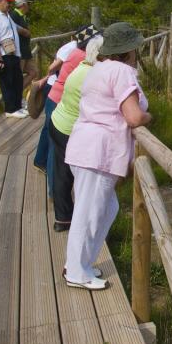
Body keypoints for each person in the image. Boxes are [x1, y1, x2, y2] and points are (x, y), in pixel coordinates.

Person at [64, 22, 151, 290]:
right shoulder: (122, 71)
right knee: (90, 213)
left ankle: (80, 263)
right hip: (99, 151)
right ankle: (76, 272)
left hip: (85, 146)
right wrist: (149, 116)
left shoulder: (99, 68)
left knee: (104, 209)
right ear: (130, 50)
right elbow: (134, 116)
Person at [32, 25, 98, 194]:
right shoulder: (82, 56)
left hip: (55, 96)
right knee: (56, 149)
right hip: (60, 99)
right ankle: (54, 191)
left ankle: (40, 163)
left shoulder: (75, 51)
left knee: (49, 135)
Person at [49, 35, 103, 232]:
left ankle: (62, 219)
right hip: (71, 130)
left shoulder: (82, 66)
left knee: (62, 173)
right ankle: (84, 222)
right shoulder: (94, 76)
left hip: (58, 122)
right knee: (82, 177)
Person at [9, 0, 39, 91]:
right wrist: (24, 32)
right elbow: (9, 30)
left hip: (25, 51)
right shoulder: (14, 15)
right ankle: (16, 96)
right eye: (28, 4)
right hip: (19, 51)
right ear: (23, 4)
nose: (29, 6)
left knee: (33, 72)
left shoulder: (22, 16)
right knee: (17, 77)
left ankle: (17, 93)